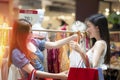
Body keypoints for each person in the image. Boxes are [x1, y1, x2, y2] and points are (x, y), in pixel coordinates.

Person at [8, 19, 78, 80]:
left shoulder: (33, 42)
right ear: (21, 34)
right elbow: (34, 72)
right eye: (28, 33)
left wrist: (72, 37)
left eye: (31, 31)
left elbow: (54, 44)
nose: (31, 34)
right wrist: (58, 76)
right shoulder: (16, 52)